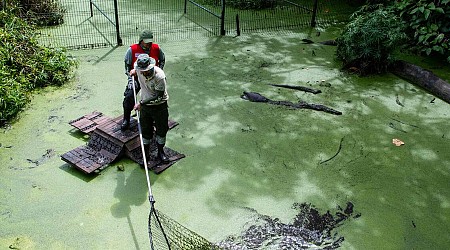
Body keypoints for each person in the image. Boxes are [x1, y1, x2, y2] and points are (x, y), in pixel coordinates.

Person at [121, 29, 166, 131]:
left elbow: (162, 59)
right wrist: (130, 80)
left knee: (153, 98)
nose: (149, 44)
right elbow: (128, 66)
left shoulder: (157, 48)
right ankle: (126, 119)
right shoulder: (132, 50)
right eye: (146, 42)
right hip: (137, 77)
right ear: (141, 41)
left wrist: (159, 70)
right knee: (129, 97)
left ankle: (153, 119)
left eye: (150, 41)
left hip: (152, 78)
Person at [131, 54, 170, 163]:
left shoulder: (159, 76)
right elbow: (135, 70)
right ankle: (146, 154)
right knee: (145, 130)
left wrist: (141, 103)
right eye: (140, 70)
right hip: (145, 107)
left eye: (144, 70)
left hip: (159, 106)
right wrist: (134, 72)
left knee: (161, 130)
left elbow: (158, 96)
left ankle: (160, 152)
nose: (142, 72)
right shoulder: (139, 70)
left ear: (150, 67)